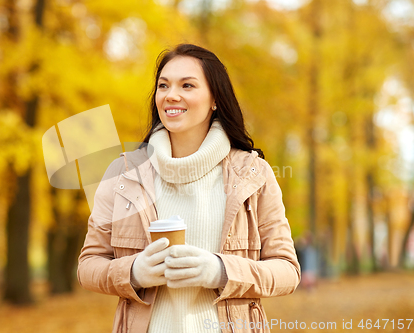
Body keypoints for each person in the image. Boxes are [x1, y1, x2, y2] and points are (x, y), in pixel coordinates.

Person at [77, 43, 301, 333]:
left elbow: (287, 271)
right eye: (163, 85)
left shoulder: (253, 174)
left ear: (215, 99)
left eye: (187, 85)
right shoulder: (124, 174)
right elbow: (88, 266)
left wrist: (220, 271)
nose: (171, 95)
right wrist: (133, 272)